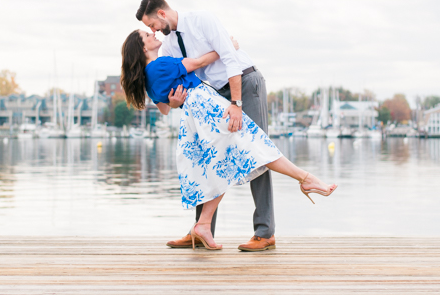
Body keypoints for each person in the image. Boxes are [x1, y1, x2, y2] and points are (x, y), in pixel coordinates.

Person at [120, 28, 337, 251]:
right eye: (147, 35)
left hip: (193, 114)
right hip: (207, 106)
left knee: (224, 163)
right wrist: (227, 48)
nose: (153, 34)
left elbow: (165, 109)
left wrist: (175, 103)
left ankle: (203, 224)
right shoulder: (160, 65)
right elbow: (197, 63)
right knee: (254, 146)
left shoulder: (147, 79)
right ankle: (306, 179)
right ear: (143, 48)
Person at [135, 0, 276, 251]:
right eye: (149, 30)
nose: (152, 30)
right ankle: (201, 230)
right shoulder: (168, 48)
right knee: (204, 157)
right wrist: (175, 103)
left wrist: (236, 104)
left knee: (257, 153)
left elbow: (230, 60)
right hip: (213, 94)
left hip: (244, 83)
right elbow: (178, 86)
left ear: (162, 14)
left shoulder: (202, 20)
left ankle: (265, 232)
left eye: (152, 25)